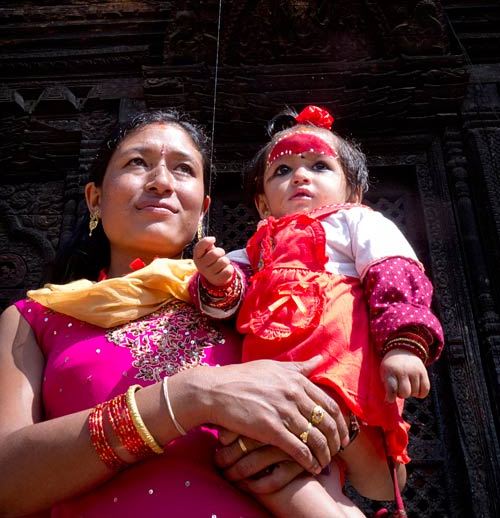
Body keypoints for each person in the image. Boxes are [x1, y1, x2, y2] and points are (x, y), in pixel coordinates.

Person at [0, 109, 353, 518]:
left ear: (203, 210)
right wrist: (189, 397)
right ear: (95, 198)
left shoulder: (260, 298)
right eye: (138, 163)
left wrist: (319, 443)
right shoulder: (35, 318)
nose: (161, 183)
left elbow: (380, 469)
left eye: (183, 169)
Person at [192, 105, 445, 518]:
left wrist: (404, 345)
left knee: (296, 465)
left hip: (339, 366)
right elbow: (226, 299)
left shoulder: (355, 223)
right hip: (268, 382)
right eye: (282, 170)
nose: (300, 176)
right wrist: (217, 278)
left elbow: (393, 271)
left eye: (319, 166)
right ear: (261, 203)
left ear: (354, 192)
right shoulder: (256, 249)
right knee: (280, 470)